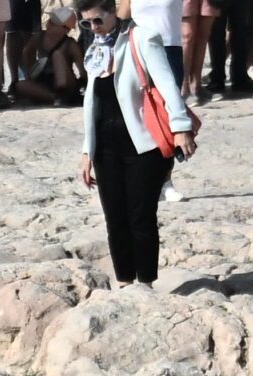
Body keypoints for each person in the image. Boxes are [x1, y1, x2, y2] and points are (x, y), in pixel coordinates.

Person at [77, 0, 194, 288]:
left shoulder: (142, 37)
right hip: (105, 145)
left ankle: (146, 283)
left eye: (97, 21)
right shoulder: (95, 49)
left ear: (112, 12)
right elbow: (92, 103)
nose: (93, 28)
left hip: (143, 143)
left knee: (140, 215)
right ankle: (125, 283)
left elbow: (167, 84)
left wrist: (181, 127)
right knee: (114, 217)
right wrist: (86, 150)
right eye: (86, 24)